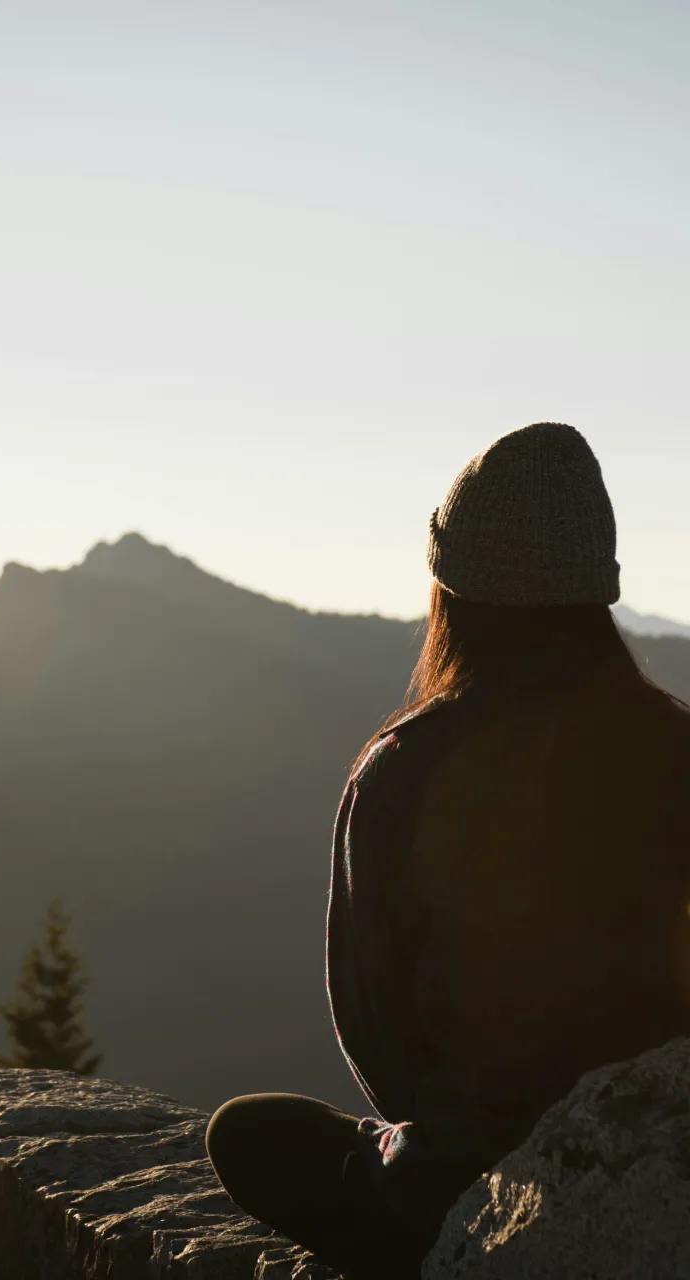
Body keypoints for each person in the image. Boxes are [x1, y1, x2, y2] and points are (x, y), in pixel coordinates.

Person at [206, 422, 690, 1279]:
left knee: (249, 1134)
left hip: (467, 1182)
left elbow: (376, 1026)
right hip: (661, 1153)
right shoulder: (674, 746)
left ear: (452, 589)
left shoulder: (405, 766)